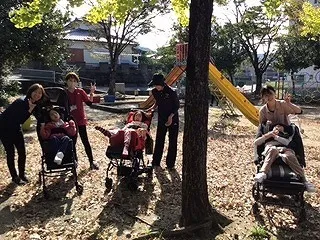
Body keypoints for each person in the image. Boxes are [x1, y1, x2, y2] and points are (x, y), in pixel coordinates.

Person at [0, 84, 47, 185]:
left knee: (22, 152)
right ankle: (14, 177)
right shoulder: (21, 101)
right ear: (30, 91)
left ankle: (22, 174)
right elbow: (20, 119)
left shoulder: (34, 104)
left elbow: (40, 117)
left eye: (40, 93)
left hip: (16, 128)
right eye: (35, 92)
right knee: (10, 153)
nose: (37, 95)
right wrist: (29, 110)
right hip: (4, 128)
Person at [254, 122, 315, 192]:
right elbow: (256, 142)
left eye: (280, 126)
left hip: (286, 149)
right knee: (273, 150)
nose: (278, 127)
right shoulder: (268, 135)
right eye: (276, 126)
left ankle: (304, 180)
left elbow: (288, 143)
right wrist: (269, 134)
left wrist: (276, 137)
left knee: (290, 155)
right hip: (272, 148)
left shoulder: (287, 135)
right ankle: (263, 173)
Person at [65, 72, 99, 170]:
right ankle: (74, 162)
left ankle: (91, 161)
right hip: (70, 122)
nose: (72, 83)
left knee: (85, 141)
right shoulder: (64, 93)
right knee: (72, 142)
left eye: (74, 81)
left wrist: (91, 93)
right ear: (66, 81)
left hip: (80, 120)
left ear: (77, 82)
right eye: (70, 80)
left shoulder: (80, 91)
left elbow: (89, 103)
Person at [146, 73, 179, 170]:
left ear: (162, 83)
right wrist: (152, 108)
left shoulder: (172, 92)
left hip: (173, 118)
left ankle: (170, 164)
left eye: (157, 85)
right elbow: (158, 101)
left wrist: (171, 117)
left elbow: (176, 106)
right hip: (162, 117)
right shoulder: (155, 92)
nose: (156, 87)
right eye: (155, 85)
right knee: (159, 139)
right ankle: (156, 161)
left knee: (172, 141)